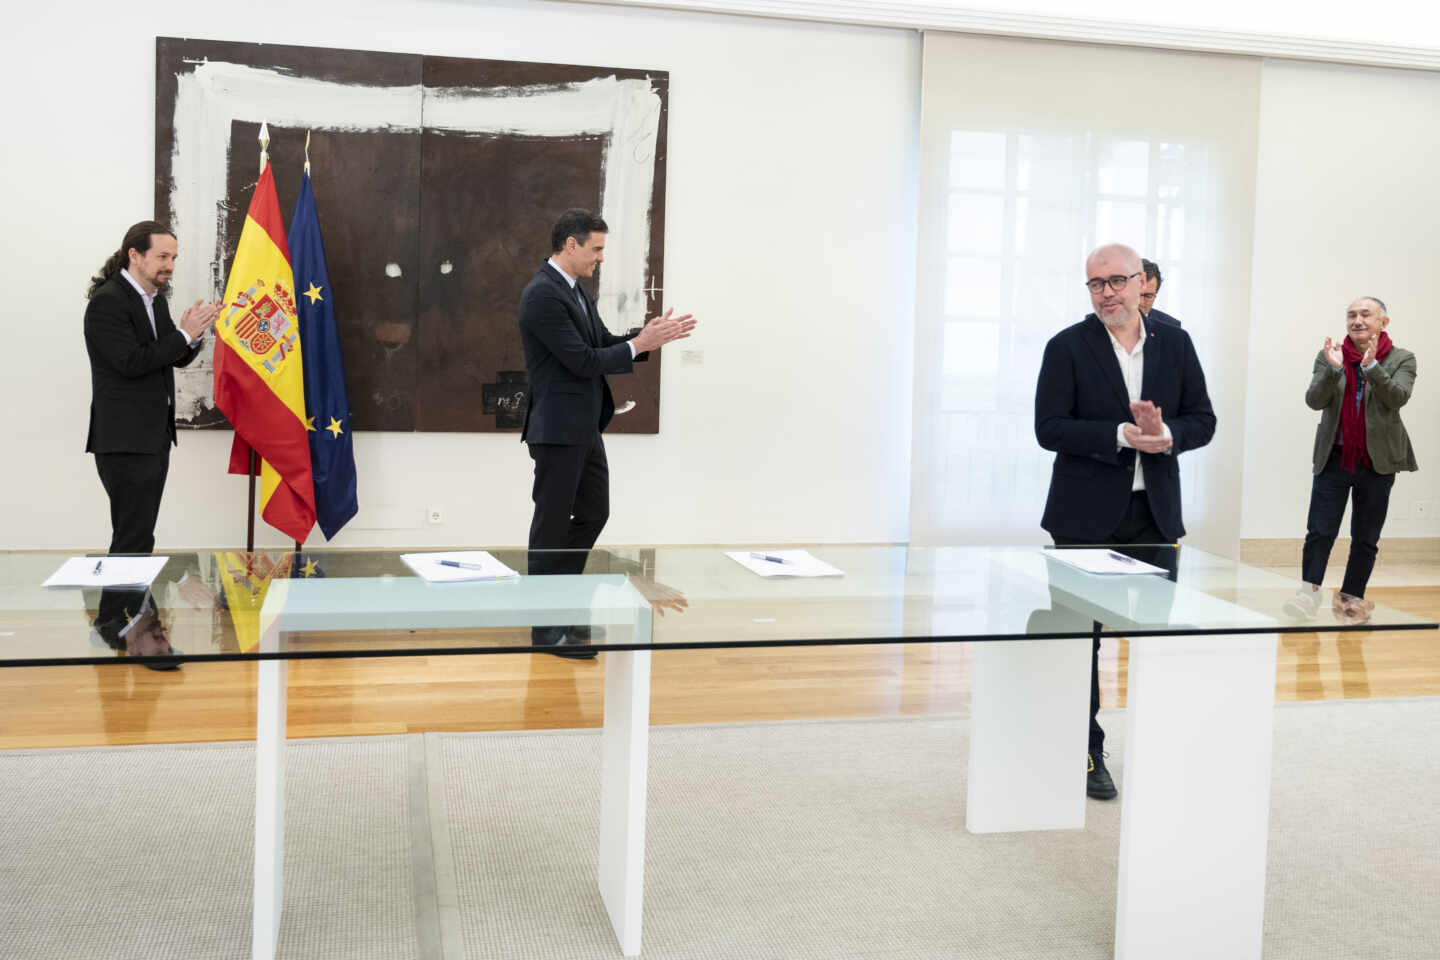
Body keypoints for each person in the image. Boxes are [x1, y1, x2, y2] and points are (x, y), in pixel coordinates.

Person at [1034, 243, 1216, 799]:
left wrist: (1169, 438)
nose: (1106, 292)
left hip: (1155, 515)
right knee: (1078, 642)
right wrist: (1118, 434)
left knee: (1159, 637)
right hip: (1084, 517)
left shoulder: (1176, 343)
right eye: (1095, 284)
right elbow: (1050, 429)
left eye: (1116, 281)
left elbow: (1202, 420)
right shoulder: (1066, 346)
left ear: (1143, 283)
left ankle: (1164, 745)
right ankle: (1085, 749)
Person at [519, 209, 696, 658]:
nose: (600, 258)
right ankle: (547, 629)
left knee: (594, 513)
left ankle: (564, 606)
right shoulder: (543, 294)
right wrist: (639, 346)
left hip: (583, 428)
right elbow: (581, 360)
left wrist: (646, 337)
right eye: (595, 249)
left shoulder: (575, 291)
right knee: (551, 529)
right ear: (571, 245)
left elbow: (601, 343)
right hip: (558, 431)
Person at [85, 221, 219, 555]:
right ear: (134, 254)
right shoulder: (108, 302)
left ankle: (135, 607)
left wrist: (195, 334)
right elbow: (130, 362)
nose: (170, 266)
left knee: (140, 536)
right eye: (162, 256)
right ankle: (118, 610)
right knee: (133, 537)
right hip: (125, 441)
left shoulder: (155, 299)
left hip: (153, 438)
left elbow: (173, 356)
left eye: (174, 258)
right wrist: (184, 335)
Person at [1285, 297, 1417, 622]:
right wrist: (1332, 370)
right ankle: (1307, 596)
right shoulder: (1330, 355)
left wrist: (1372, 368)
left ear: (1383, 321)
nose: (1357, 320)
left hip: (1378, 461)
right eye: (1351, 315)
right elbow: (1314, 401)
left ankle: (1351, 597)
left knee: (1366, 536)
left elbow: (1397, 398)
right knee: (1319, 531)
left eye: (1365, 314)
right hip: (1335, 457)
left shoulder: (1403, 358)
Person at [1139, 258, 1181, 328]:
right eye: (1137, 294)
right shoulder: (1114, 320)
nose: (1140, 302)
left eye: (1148, 296)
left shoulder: (1172, 327)